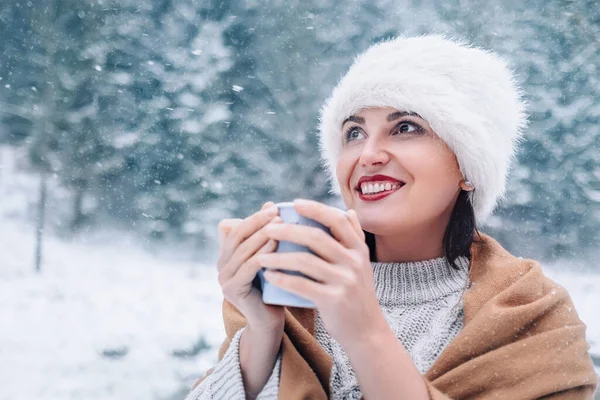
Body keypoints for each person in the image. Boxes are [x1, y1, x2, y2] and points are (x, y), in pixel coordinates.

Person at [186, 35, 598, 399]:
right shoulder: (296, 297)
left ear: (469, 168)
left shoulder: (529, 312)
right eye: (354, 133)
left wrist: (365, 333)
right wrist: (261, 334)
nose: (367, 155)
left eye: (405, 128)